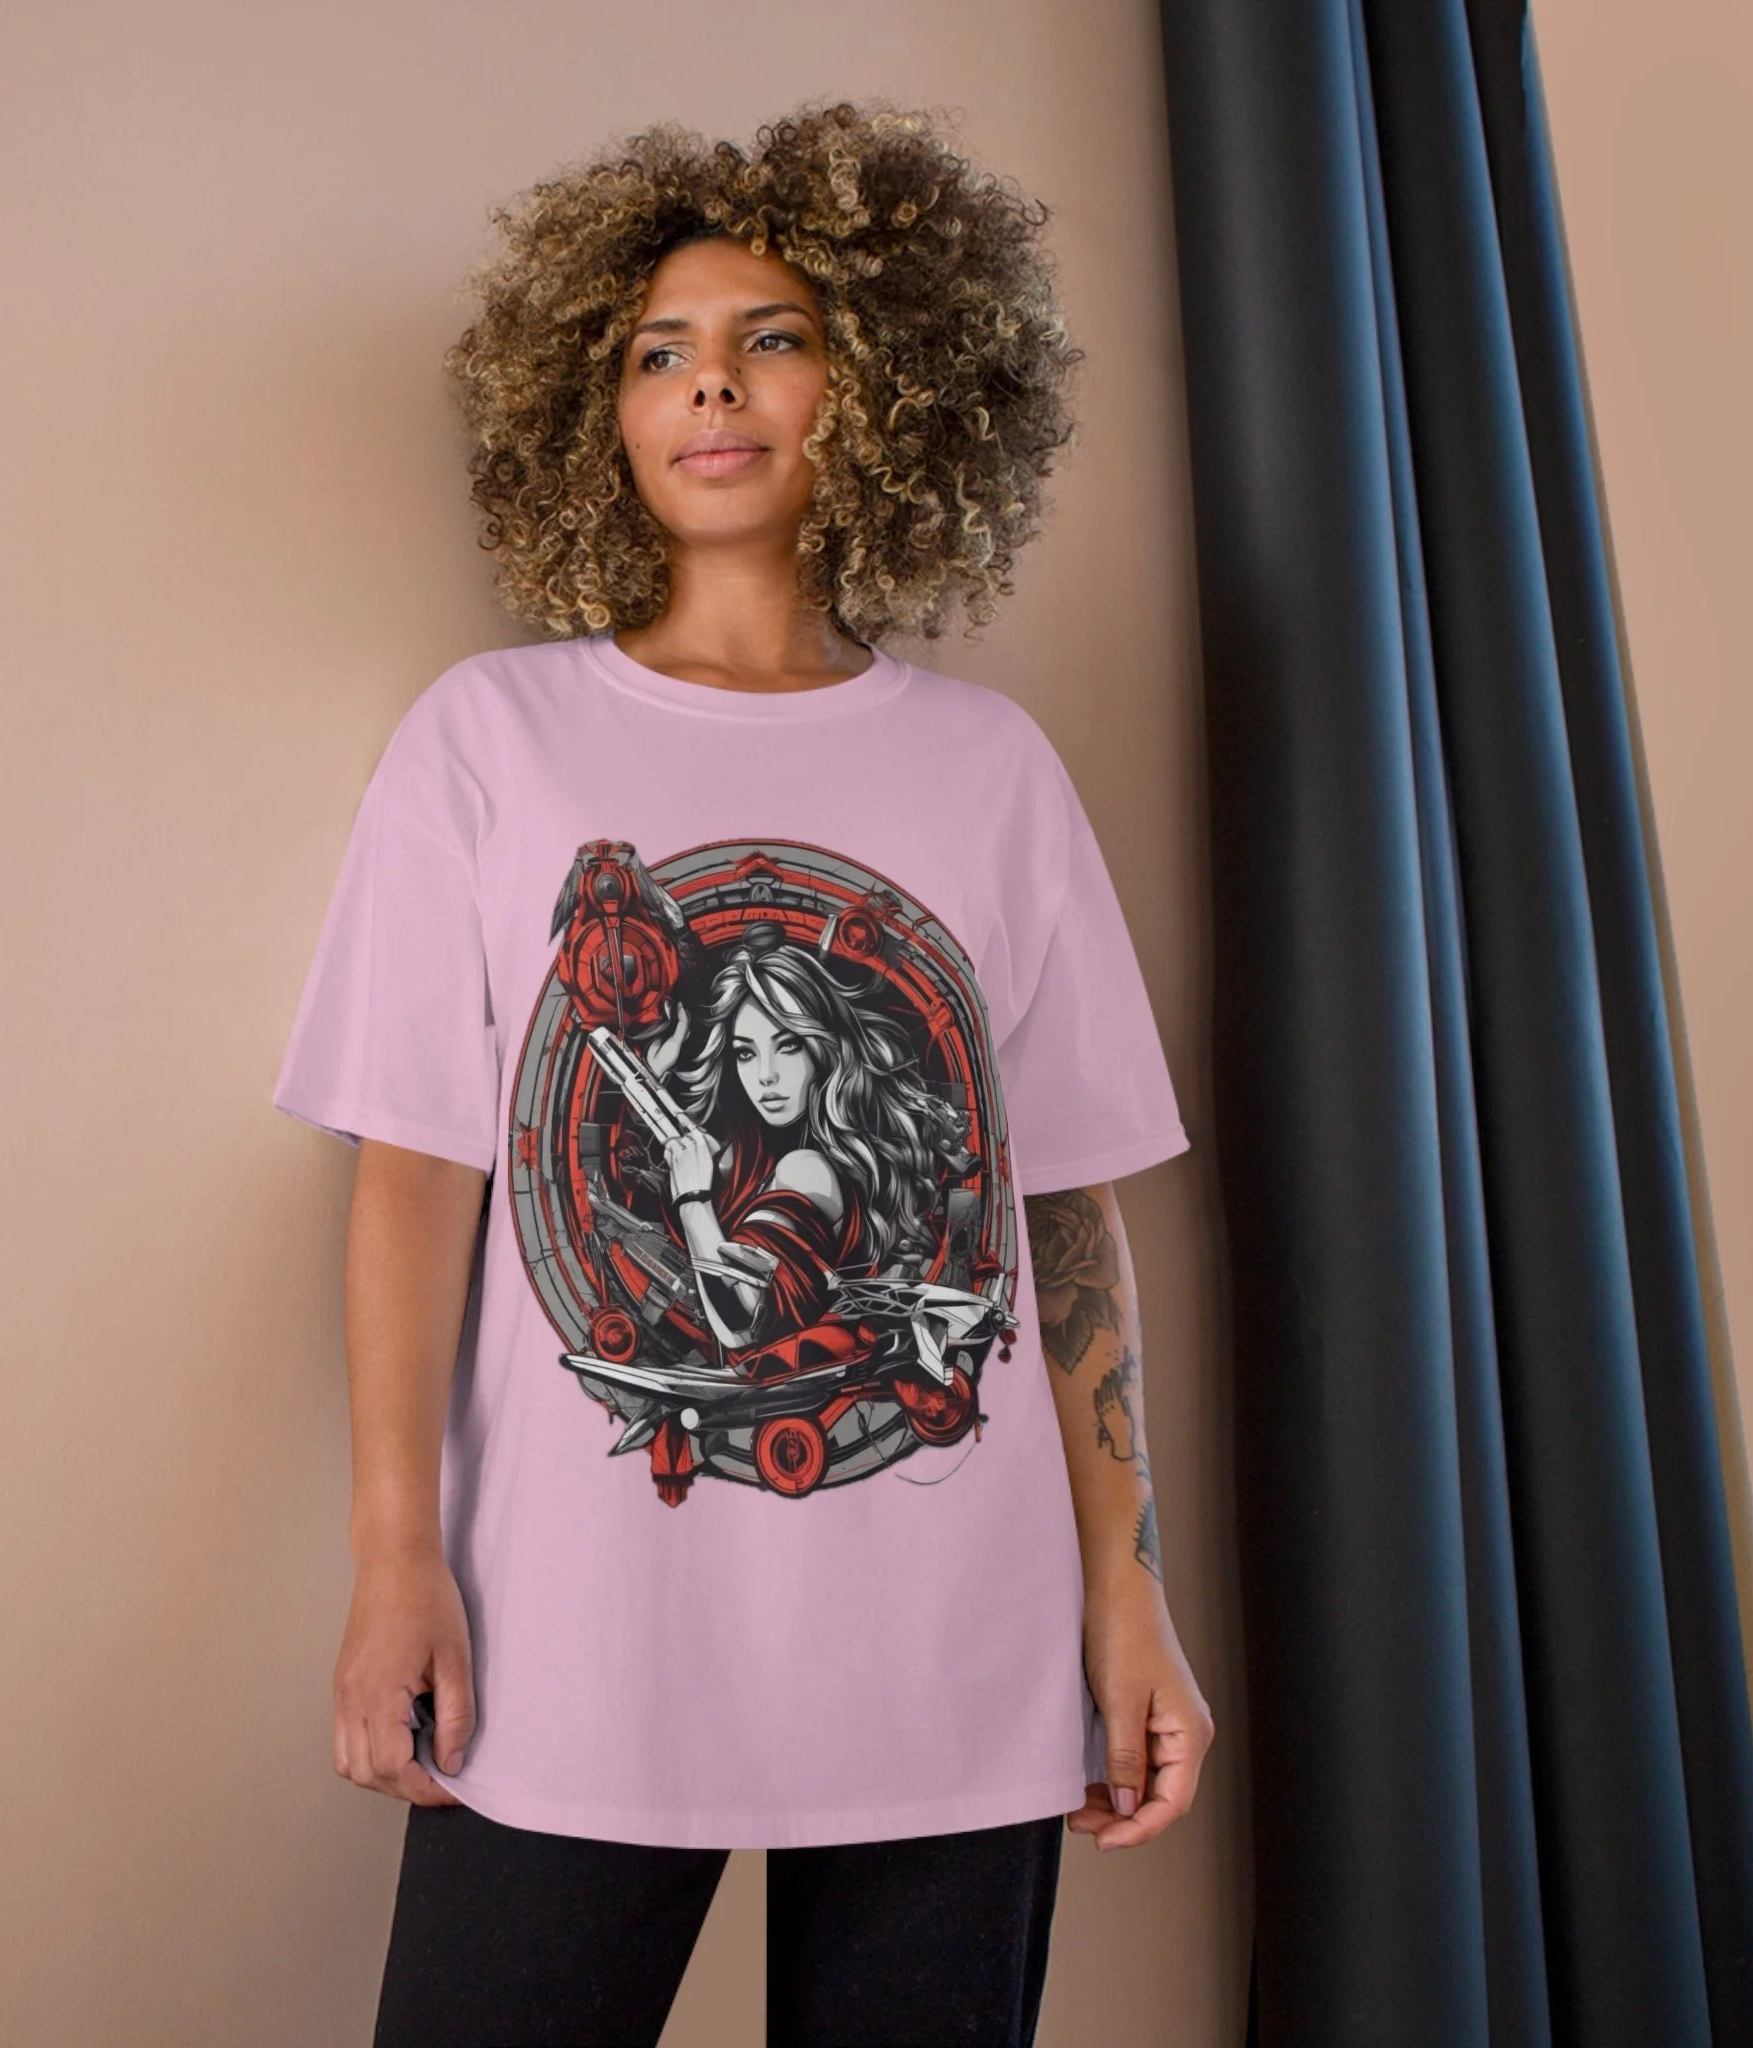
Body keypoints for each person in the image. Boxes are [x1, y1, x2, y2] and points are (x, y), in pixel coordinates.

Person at [273, 97, 1214, 2047]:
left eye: (770, 337)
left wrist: (1129, 1594)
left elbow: (1057, 1212)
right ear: (595, 413)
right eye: (657, 351)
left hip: (955, 1650)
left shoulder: (991, 768)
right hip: (574, 1639)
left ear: (882, 392)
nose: (709, 384)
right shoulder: (490, 738)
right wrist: (393, 1554)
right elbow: (419, 1172)